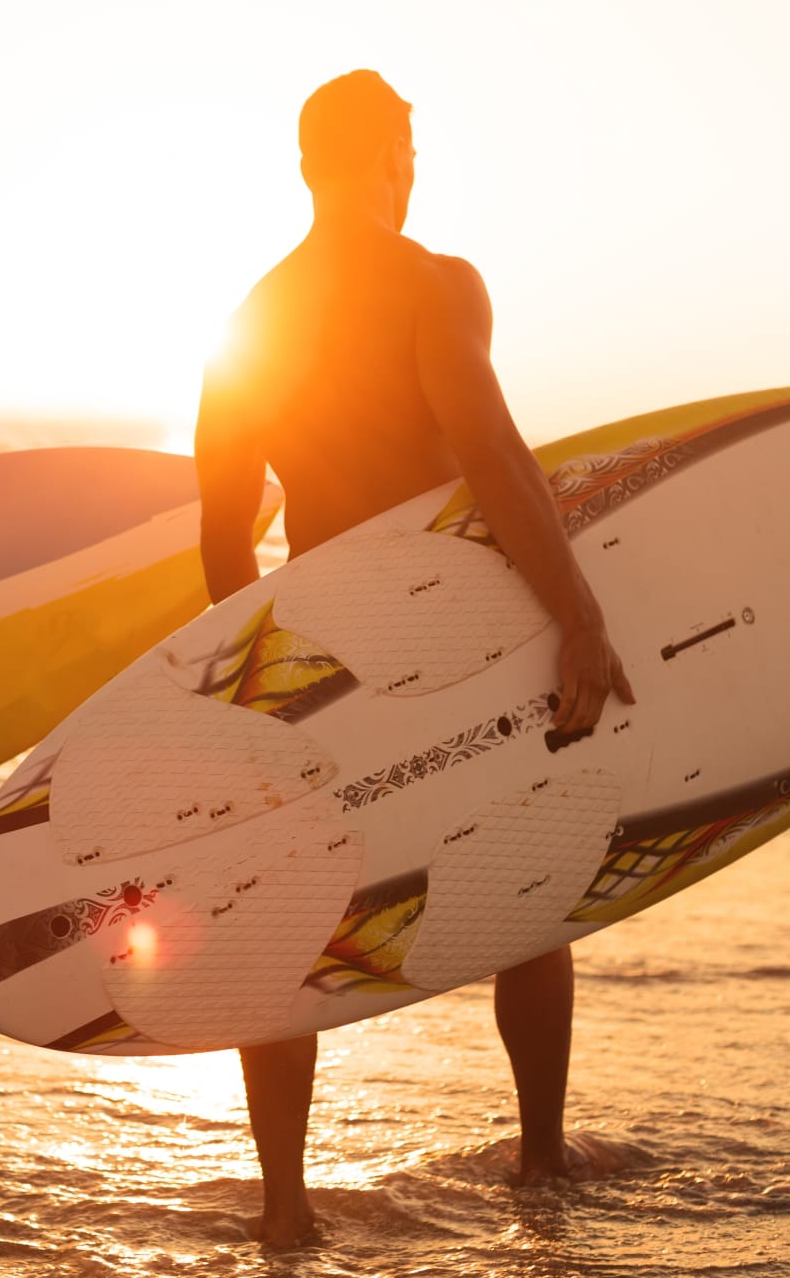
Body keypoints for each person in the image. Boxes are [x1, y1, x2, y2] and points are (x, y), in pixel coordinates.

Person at [193, 71, 635, 1246]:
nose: (408, 172)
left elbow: (222, 530)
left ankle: (287, 1204)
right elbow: (490, 450)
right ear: (390, 157)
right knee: (530, 880)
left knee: (287, 915)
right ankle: (540, 1157)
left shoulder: (253, 316)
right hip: (460, 631)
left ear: (303, 164)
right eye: (406, 151)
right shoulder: (437, 286)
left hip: (320, 638)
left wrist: (255, 690)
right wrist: (578, 613)